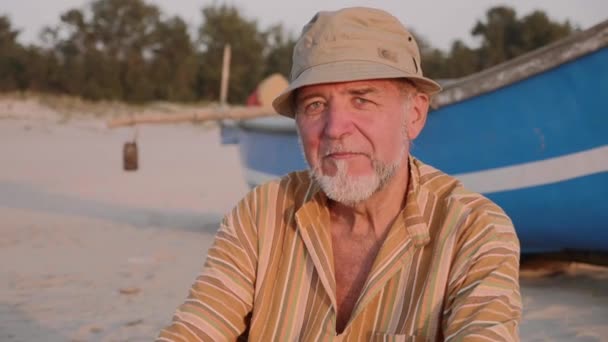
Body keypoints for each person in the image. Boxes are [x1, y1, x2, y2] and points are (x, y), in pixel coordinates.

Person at [158, 7, 521, 341]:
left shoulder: (475, 231)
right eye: (315, 105)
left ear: (414, 114)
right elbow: (195, 329)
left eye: (361, 99)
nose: (335, 128)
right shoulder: (261, 215)